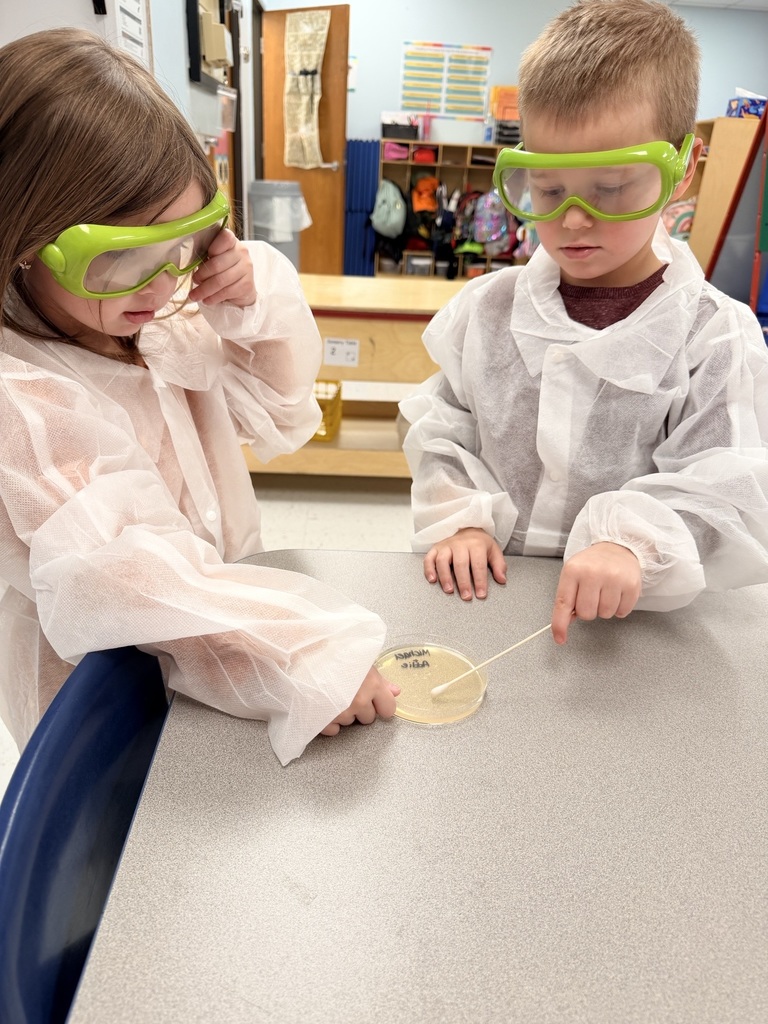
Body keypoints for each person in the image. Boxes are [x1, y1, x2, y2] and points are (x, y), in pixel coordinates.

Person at [0, 28, 398, 766]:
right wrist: (305, 649)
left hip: (222, 648)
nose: (157, 287)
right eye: (119, 257)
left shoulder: (158, 321)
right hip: (100, 711)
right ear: (22, 236)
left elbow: (281, 415)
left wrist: (245, 304)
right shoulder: (21, 399)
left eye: (181, 246)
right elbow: (127, 573)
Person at [400, 0, 768, 645]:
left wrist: (633, 546)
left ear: (682, 167)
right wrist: (459, 519)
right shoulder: (486, 310)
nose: (572, 219)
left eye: (611, 188)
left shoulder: (714, 336)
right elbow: (444, 428)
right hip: (488, 593)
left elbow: (725, 482)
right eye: (546, 189)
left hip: (629, 625)